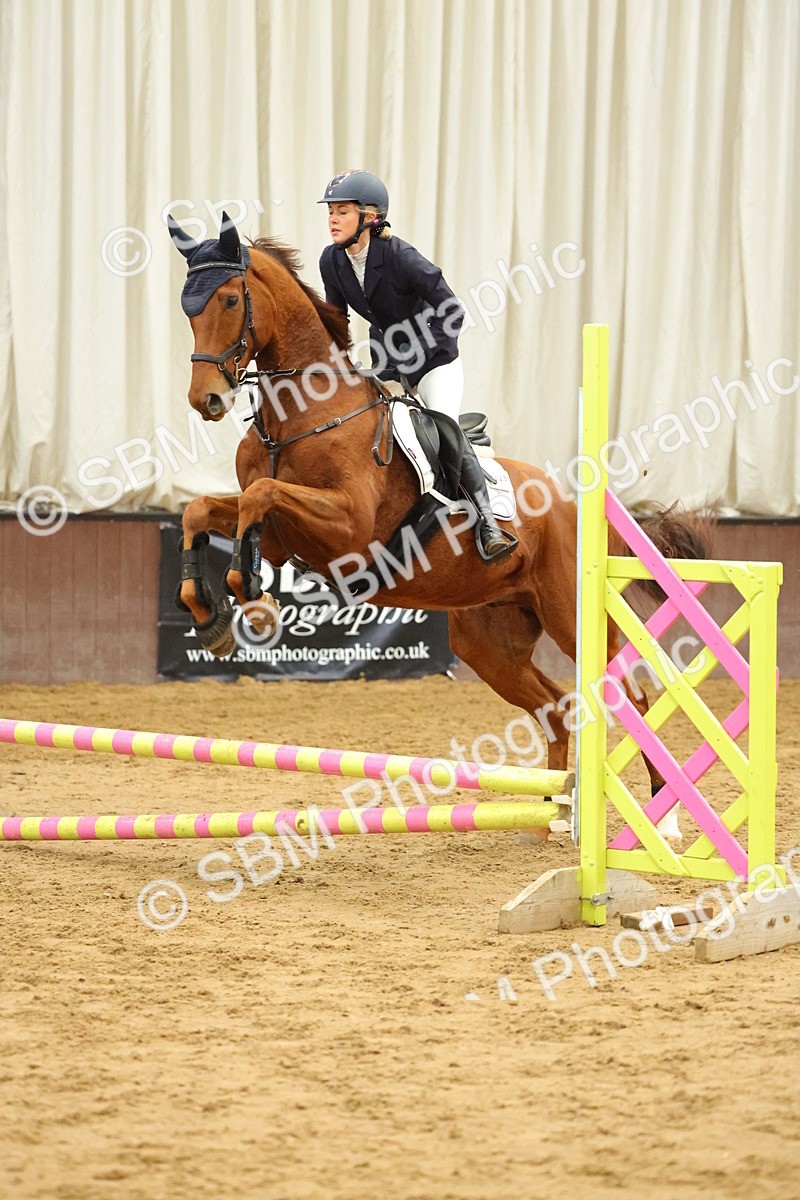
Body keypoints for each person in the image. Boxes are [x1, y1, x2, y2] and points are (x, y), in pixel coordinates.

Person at [318, 169, 516, 564]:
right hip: (387, 365)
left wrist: (417, 350)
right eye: (331, 212)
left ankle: (488, 523)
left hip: (433, 363)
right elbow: (337, 321)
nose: (333, 220)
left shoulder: (400, 257)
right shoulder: (332, 261)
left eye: (342, 211)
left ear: (370, 217)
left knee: (444, 430)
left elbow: (452, 310)